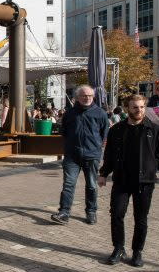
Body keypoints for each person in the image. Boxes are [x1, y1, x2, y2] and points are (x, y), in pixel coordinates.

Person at [98, 94, 159, 267]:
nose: (138, 110)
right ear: (127, 109)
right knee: (116, 214)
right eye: (135, 107)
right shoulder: (117, 130)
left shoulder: (155, 129)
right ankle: (118, 248)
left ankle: (137, 251)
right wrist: (103, 173)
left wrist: (155, 166)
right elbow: (109, 154)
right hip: (122, 180)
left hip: (145, 182)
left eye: (141, 107)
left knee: (141, 218)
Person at [51, 85, 109, 225]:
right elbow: (63, 131)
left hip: (92, 155)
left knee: (91, 185)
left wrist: (95, 146)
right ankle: (64, 212)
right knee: (69, 184)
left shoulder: (100, 113)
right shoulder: (70, 113)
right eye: (84, 95)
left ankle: (91, 211)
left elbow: (104, 133)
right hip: (72, 155)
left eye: (89, 95)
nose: (87, 98)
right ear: (77, 97)